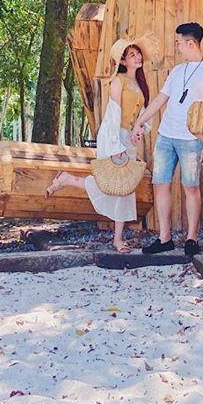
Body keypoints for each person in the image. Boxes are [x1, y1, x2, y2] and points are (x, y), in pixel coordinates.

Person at [45, 37, 153, 253]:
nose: (137, 57)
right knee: (116, 186)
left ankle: (68, 180)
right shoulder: (118, 81)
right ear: (122, 61)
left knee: (124, 188)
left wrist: (140, 130)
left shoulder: (139, 83)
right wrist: (116, 145)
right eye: (132, 55)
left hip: (129, 139)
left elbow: (142, 114)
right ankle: (117, 240)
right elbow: (112, 115)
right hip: (115, 136)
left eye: (138, 53)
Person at [130, 22, 203, 257]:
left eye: (179, 42)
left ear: (191, 43)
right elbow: (161, 99)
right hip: (165, 136)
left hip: (192, 140)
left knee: (190, 187)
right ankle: (165, 238)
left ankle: (192, 238)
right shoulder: (177, 71)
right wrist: (140, 122)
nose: (177, 46)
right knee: (160, 184)